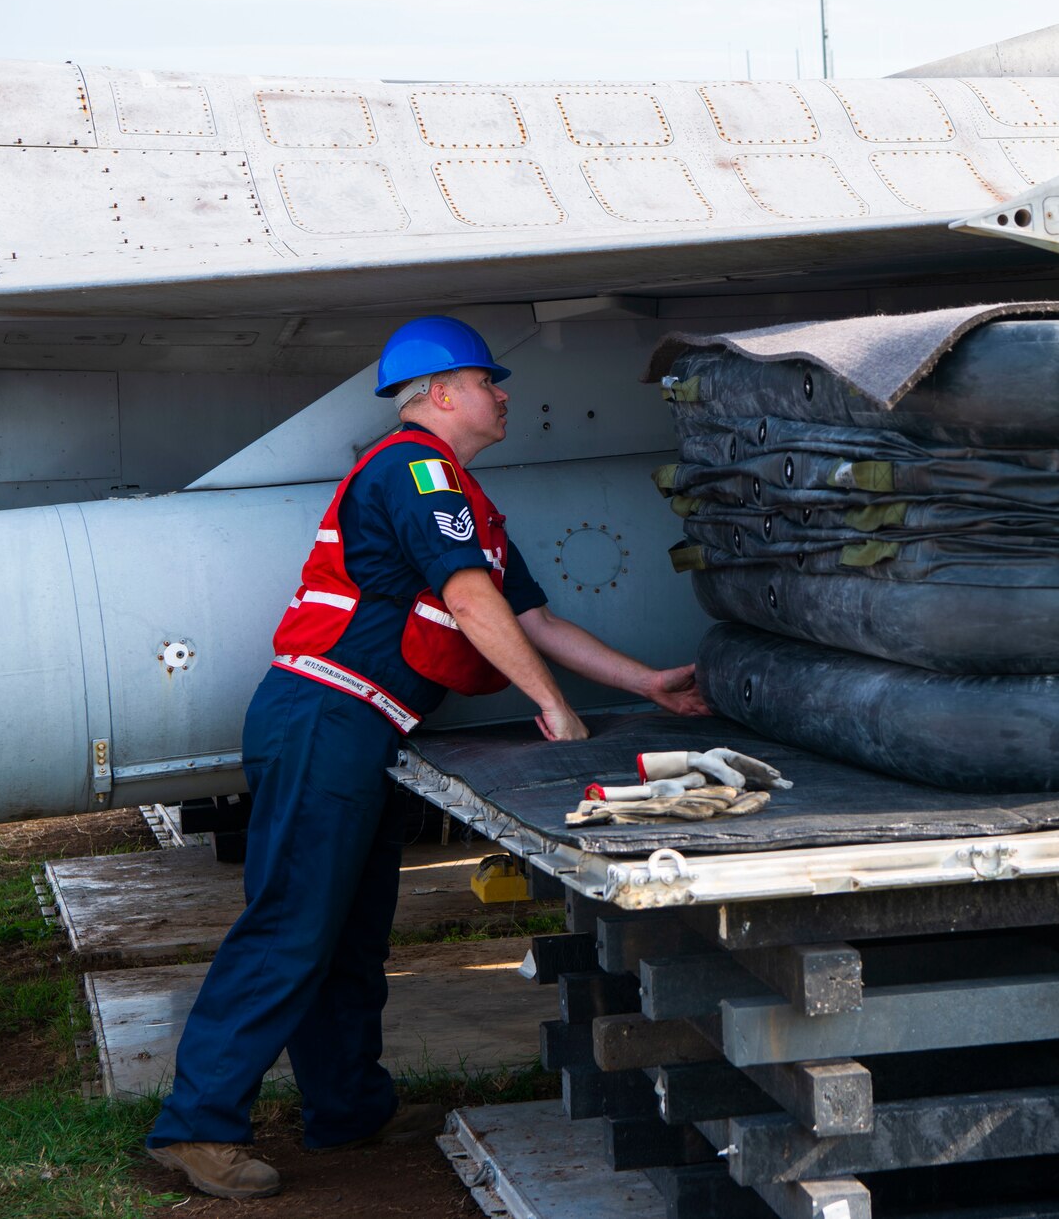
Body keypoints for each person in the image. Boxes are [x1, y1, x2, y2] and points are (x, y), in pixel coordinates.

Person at [146, 315, 709, 1199]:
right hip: (322, 717)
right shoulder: (416, 470)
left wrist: (649, 686)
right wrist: (551, 706)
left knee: (352, 933)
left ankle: (348, 1110)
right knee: (293, 925)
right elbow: (471, 600)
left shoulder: (466, 501)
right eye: (489, 381)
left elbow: (532, 617)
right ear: (442, 394)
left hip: (361, 726)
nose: (504, 393)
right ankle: (196, 1127)